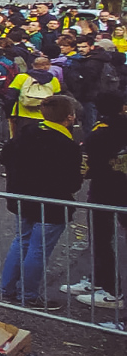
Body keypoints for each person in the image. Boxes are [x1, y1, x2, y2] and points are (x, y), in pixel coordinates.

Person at [0, 94, 82, 309]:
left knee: (21, 242)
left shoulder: (27, 132)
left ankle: (7, 289)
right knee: (37, 248)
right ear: (69, 117)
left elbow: (4, 157)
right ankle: (28, 295)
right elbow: (73, 183)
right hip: (51, 205)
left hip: (21, 199)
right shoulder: (67, 146)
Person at [70, 88, 127, 307]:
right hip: (118, 186)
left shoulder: (99, 132)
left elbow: (86, 167)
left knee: (101, 238)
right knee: (102, 239)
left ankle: (112, 291)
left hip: (105, 189)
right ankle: (100, 279)